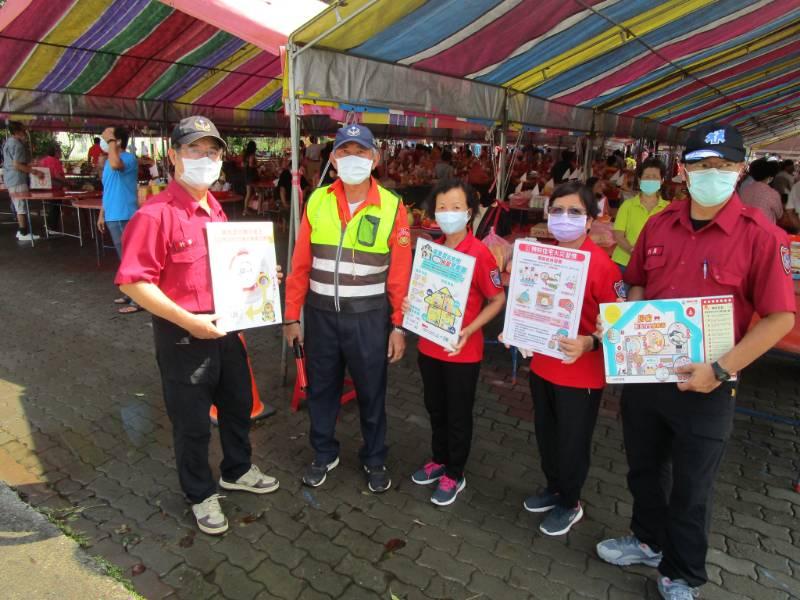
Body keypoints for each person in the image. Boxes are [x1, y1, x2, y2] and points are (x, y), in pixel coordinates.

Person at [596, 123, 795, 600]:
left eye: (723, 165)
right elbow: (637, 282)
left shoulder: (760, 235)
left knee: (692, 487)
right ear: (683, 171)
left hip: (709, 384)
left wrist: (720, 370)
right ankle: (648, 540)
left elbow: (780, 318)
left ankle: (682, 574)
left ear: (740, 170)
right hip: (646, 374)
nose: (712, 173)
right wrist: (625, 325)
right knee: (643, 468)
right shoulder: (660, 223)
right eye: (702, 165)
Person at [115, 116, 280, 536]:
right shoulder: (155, 214)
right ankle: (200, 493)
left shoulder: (215, 208)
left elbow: (228, 269)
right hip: (184, 337)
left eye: (212, 152)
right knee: (191, 424)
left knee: (237, 405)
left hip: (227, 329)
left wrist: (262, 276)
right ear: (173, 156)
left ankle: (237, 470)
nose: (205, 159)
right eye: (194, 150)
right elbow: (133, 282)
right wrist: (190, 321)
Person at [284, 124, 412, 493]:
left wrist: (398, 326)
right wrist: (291, 316)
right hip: (321, 315)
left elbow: (399, 274)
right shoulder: (317, 200)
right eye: (344, 151)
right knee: (321, 390)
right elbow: (300, 264)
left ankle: (375, 457)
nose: (352, 158)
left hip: (369, 318)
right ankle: (324, 452)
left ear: (375, 158)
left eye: (361, 152)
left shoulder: (392, 206)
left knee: (372, 391)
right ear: (334, 159)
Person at [504, 181, 622, 536]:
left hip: (580, 374)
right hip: (543, 366)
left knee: (572, 442)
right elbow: (525, 304)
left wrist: (590, 343)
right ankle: (554, 487)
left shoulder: (603, 266)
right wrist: (515, 329)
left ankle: (570, 502)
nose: (564, 218)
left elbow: (619, 326)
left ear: (590, 221)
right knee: (547, 434)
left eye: (575, 212)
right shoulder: (542, 259)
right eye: (557, 210)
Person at [405, 179, 505, 506]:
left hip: (462, 352)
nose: (448, 214)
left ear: (470, 212)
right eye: (442, 208)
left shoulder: (479, 253)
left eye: (456, 207)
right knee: (435, 407)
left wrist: (470, 329)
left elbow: (497, 299)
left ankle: (455, 472)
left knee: (458, 414)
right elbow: (421, 292)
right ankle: (439, 458)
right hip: (429, 346)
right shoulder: (433, 251)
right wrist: (410, 304)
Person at [97, 126, 140, 314]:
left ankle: (138, 300)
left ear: (119, 141)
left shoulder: (128, 158)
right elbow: (108, 189)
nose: (105, 140)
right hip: (113, 215)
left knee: (129, 258)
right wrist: (102, 213)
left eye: (109, 137)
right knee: (124, 258)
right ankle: (130, 294)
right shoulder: (109, 160)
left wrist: (111, 142)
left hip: (124, 214)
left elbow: (116, 164)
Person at [611, 158, 669, 272]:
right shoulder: (627, 205)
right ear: (639, 179)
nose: (650, 180)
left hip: (654, 265)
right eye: (647, 176)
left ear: (661, 181)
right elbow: (618, 235)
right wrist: (634, 252)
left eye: (655, 177)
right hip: (624, 263)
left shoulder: (668, 208)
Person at [2, 121, 44, 241]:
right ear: (17, 131)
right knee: (21, 206)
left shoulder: (8, 142)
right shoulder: (18, 145)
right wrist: (35, 171)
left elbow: (13, 162)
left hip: (9, 178)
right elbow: (17, 165)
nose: (25, 132)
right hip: (17, 179)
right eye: (23, 130)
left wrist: (28, 165)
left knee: (17, 204)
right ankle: (23, 233)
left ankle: (21, 231)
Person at [739, 158, 783, 224]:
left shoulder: (746, 189)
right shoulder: (772, 193)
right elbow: (779, 214)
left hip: (744, 225)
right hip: (764, 227)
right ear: (770, 177)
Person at [39, 143, 68, 230]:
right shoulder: (55, 161)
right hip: (55, 188)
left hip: (44, 187)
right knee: (55, 208)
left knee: (50, 207)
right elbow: (57, 175)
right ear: (55, 152)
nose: (61, 153)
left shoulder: (42, 161)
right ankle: (53, 227)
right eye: (59, 151)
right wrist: (67, 182)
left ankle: (48, 225)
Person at [242, 141, 257, 216]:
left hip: (246, 175)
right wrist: (258, 165)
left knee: (249, 193)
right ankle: (245, 210)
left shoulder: (245, 155)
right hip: (250, 176)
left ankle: (246, 209)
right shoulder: (251, 155)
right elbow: (251, 165)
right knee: (249, 193)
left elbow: (243, 165)